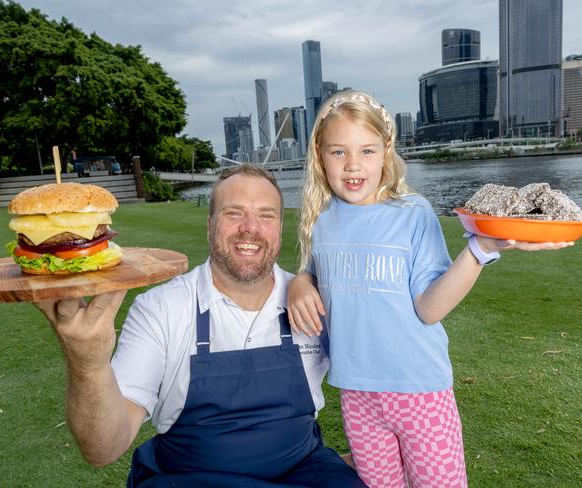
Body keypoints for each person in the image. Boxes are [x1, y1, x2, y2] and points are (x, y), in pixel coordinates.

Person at [286, 90, 574, 488]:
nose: (353, 165)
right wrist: (301, 281)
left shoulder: (413, 213)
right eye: (339, 152)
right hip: (357, 395)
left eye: (367, 151)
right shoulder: (322, 220)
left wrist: (481, 248)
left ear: (386, 150)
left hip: (421, 392)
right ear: (319, 153)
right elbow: (321, 276)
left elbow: (429, 309)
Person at [36, 163, 367, 488]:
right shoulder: (161, 309)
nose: (251, 227)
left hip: (302, 470)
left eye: (266, 215)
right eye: (233, 213)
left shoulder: (317, 303)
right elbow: (103, 448)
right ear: (210, 224)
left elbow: (391, 375)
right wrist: (89, 362)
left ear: (280, 226)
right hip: (190, 477)